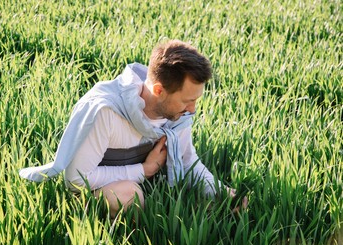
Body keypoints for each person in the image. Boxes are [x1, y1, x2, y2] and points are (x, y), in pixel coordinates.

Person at [19, 39, 248, 217]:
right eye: (187, 100)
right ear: (158, 90)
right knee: (129, 195)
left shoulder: (175, 113)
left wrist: (221, 193)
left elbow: (187, 161)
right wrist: (144, 171)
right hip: (95, 191)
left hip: (136, 180)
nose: (193, 109)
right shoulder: (106, 112)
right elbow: (77, 179)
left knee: (204, 204)